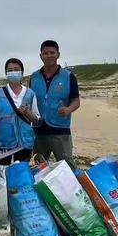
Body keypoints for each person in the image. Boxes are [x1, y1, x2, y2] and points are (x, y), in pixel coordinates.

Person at [29, 40, 80, 169]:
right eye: (45, 53)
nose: (49, 55)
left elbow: (76, 101)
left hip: (60, 131)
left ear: (58, 55)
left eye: (52, 52)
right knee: (37, 167)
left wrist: (68, 109)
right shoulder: (34, 77)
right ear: (41, 56)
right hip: (38, 131)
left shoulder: (68, 76)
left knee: (67, 167)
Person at [0, 58, 40, 165]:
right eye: (10, 70)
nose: (13, 72)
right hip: (4, 143)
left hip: (25, 142)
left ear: (22, 72)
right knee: (3, 174)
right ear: (6, 73)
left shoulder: (30, 94)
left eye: (16, 69)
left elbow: (35, 119)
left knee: (23, 173)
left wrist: (27, 112)